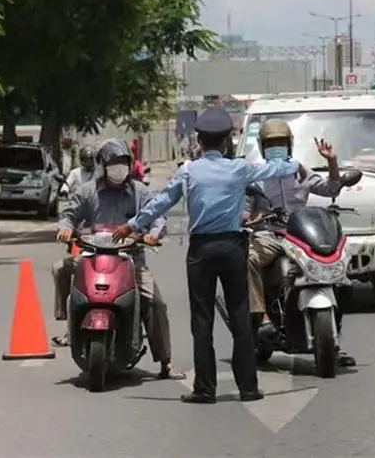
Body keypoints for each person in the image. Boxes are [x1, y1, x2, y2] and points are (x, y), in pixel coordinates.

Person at [112, 107, 300, 404]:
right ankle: (248, 388)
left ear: (199, 141)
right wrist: (294, 159)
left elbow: (161, 201)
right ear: (227, 142)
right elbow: (280, 169)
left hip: (201, 251)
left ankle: (205, 389)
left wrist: (132, 224)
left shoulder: (188, 171)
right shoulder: (238, 169)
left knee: (202, 321)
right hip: (233, 248)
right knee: (240, 319)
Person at [52, 138, 185, 380]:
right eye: (113, 163)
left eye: (123, 162)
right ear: (103, 165)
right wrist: (65, 228)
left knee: (154, 302)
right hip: (92, 257)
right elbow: (69, 214)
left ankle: (165, 362)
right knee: (60, 268)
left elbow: (157, 216)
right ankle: (68, 321)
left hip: (130, 260)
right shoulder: (87, 191)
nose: (119, 167)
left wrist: (154, 233)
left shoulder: (140, 192)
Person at [244, 118, 357, 367]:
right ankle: (262, 318)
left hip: (300, 235)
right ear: (263, 147)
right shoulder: (256, 177)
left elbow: (331, 189)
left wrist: (332, 160)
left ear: (290, 145)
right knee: (249, 259)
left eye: (281, 143)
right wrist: (251, 217)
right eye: (271, 143)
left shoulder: (300, 171)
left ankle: (333, 342)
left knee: (336, 272)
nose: (277, 147)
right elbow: (245, 210)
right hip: (270, 236)